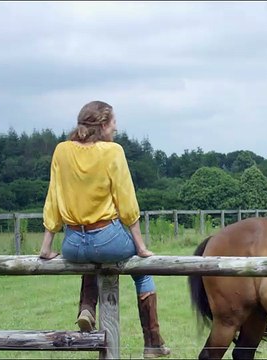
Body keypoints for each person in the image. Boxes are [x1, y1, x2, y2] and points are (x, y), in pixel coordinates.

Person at [38, 100, 171, 358]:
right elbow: (127, 203)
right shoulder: (112, 152)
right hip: (107, 239)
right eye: (113, 123)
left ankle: (87, 307)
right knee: (142, 273)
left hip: (73, 244)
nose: (116, 128)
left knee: (93, 258)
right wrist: (141, 247)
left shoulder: (61, 151)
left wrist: (46, 246)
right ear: (102, 125)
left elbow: (53, 198)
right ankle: (153, 341)